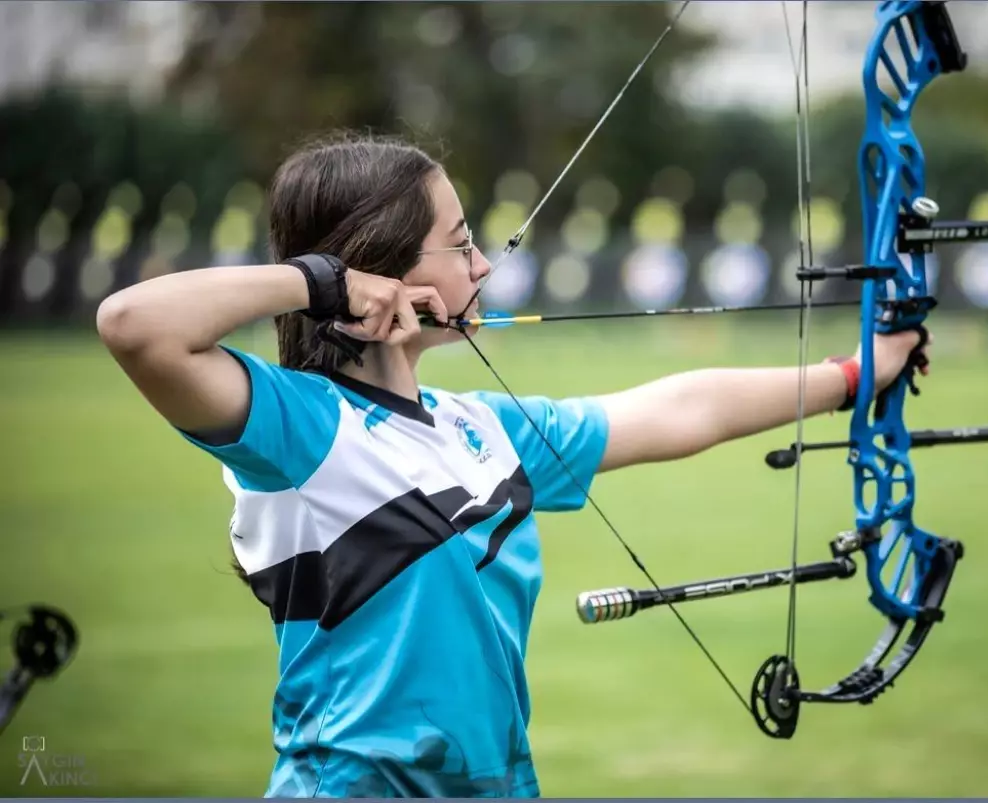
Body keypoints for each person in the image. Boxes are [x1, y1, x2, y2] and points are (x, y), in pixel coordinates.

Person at [96, 132, 930, 798]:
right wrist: (321, 282)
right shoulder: (298, 427)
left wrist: (854, 375)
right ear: (380, 265)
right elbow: (134, 324)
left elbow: (678, 409)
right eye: (460, 245)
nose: (484, 266)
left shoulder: (481, 428)